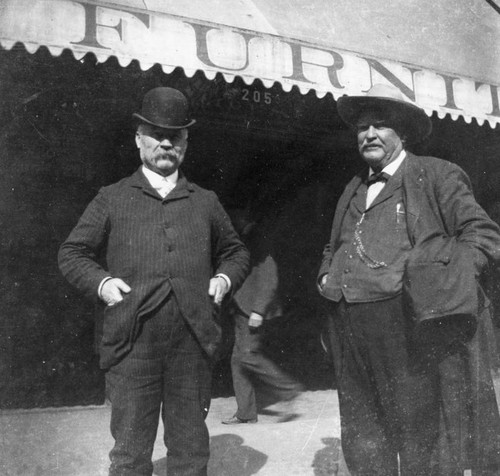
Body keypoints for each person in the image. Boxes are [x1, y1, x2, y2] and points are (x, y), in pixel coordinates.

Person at [58, 87, 249, 476]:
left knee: (191, 452)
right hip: (132, 343)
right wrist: (103, 283)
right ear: (138, 139)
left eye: (175, 136)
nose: (166, 142)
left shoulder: (205, 200)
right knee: (129, 455)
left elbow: (236, 251)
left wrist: (224, 278)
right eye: (156, 134)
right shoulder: (112, 197)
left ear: (186, 143)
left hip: (191, 343)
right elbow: (72, 253)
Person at [317, 83, 500, 475]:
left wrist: (442, 283)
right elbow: (335, 245)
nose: (369, 134)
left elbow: (482, 235)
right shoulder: (353, 187)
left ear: (403, 133)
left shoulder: (435, 175)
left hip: (406, 328)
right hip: (351, 327)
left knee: (420, 442)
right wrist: (326, 275)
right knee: (364, 439)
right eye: (363, 127)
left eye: (380, 125)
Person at [221, 209, 302, 424]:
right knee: (237, 361)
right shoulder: (242, 239)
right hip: (240, 308)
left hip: (251, 310)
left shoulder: (259, 240)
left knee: (247, 356)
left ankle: (288, 389)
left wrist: (258, 310)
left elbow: (269, 277)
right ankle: (245, 413)